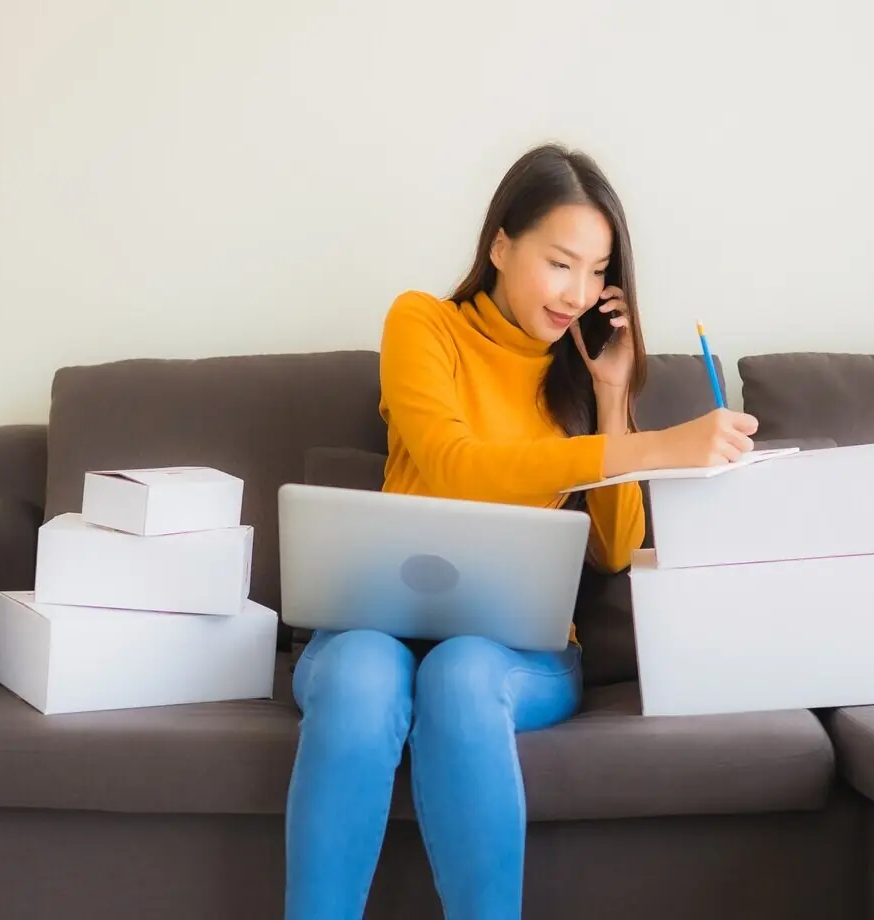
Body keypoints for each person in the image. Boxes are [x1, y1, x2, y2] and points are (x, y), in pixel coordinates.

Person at [284, 143, 760, 919]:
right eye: (561, 262)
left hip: (513, 651)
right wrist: (654, 447)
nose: (580, 293)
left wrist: (612, 397)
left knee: (464, 673)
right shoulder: (422, 324)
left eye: (599, 271)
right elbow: (451, 466)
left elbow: (610, 549)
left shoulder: (575, 376)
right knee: (366, 671)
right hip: (372, 627)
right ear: (501, 245)